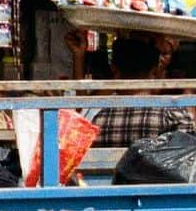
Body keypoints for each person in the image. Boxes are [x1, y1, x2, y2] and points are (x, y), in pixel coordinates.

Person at [65, 28, 194, 145]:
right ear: (155, 70)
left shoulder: (99, 118)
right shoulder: (170, 114)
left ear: (114, 69)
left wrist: (79, 56)